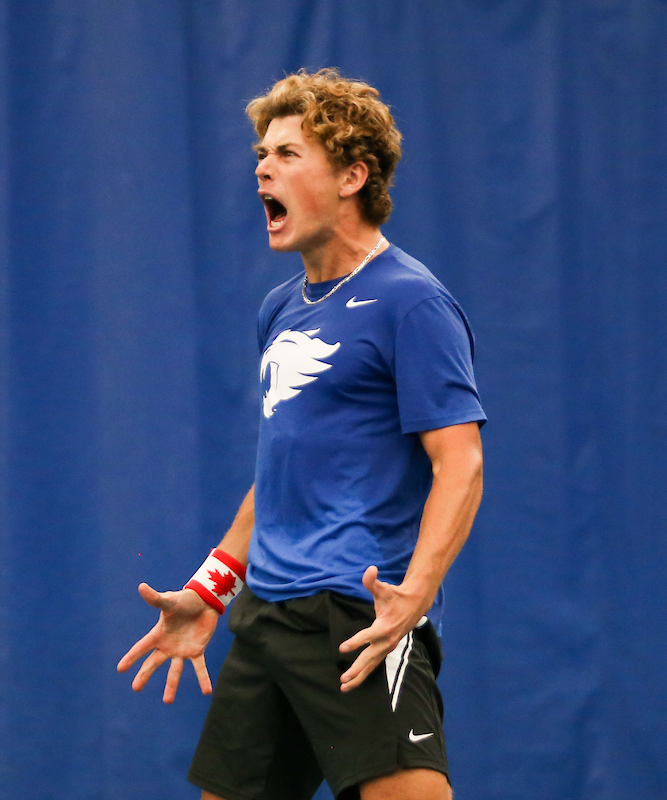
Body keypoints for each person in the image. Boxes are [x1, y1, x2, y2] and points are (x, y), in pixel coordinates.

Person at [117, 69, 486, 800]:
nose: (261, 166)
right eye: (261, 151)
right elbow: (286, 469)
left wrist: (415, 594)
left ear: (353, 175)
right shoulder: (280, 311)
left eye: (287, 153)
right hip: (266, 617)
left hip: (357, 617)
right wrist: (211, 588)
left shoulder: (412, 303)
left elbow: (461, 463)